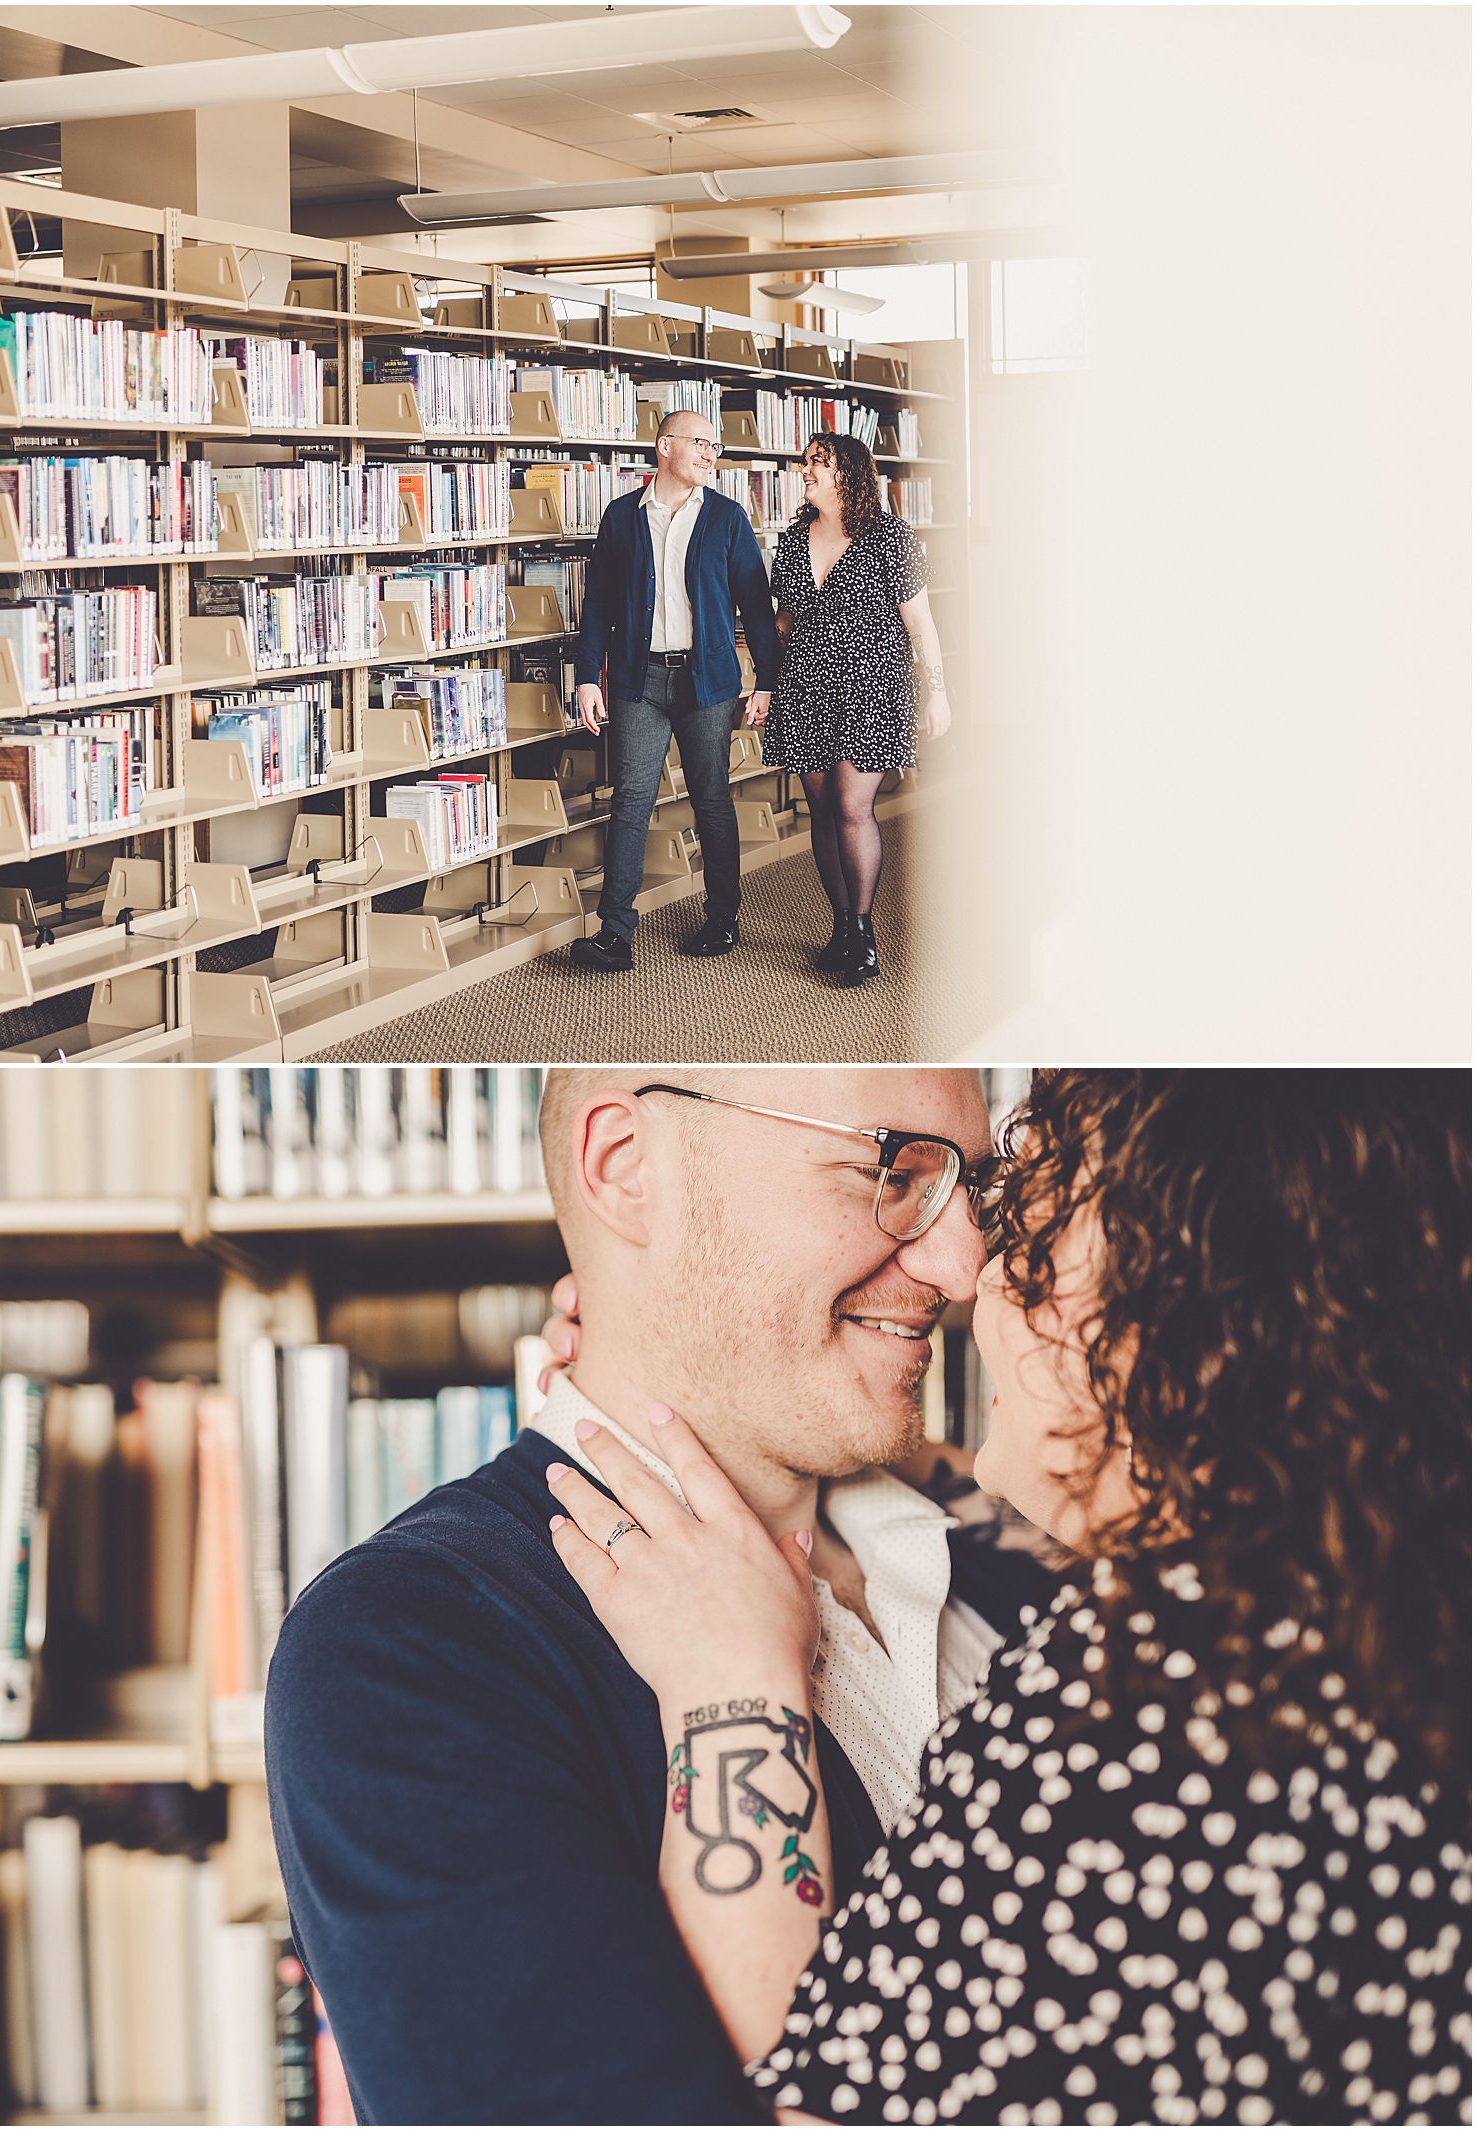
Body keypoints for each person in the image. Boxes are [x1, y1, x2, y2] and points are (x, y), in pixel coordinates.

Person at [548, 1070, 1472, 2125]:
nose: (971, 1274)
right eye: (895, 1170)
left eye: (1030, 1255)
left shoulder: (1140, 1686)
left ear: (1213, 1333)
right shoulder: (1390, 1605)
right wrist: (695, 1350)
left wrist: (733, 1681)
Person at [263, 1068, 1041, 2123]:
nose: (964, 1266)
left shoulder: (1019, 1550)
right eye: (892, 1169)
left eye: (973, 1190)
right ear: (627, 1171)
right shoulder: (407, 1646)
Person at [569, 412, 780, 971]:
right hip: (639, 681)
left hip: (707, 681)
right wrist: (588, 675)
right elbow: (598, 607)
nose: (711, 454)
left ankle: (722, 918)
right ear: (665, 447)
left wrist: (768, 682)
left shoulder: (729, 519)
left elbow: (757, 613)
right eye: (700, 443)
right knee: (630, 802)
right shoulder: (622, 517)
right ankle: (614, 933)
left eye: (716, 445)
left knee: (710, 799)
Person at [767, 432, 950, 986]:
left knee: (852, 806)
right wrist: (760, 668)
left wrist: (938, 691)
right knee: (821, 810)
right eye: (805, 463)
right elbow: (786, 621)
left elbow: (920, 622)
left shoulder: (890, 536)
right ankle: (841, 926)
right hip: (806, 687)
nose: (805, 471)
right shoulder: (793, 539)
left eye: (816, 463)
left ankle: (865, 934)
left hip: (872, 687)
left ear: (846, 472)